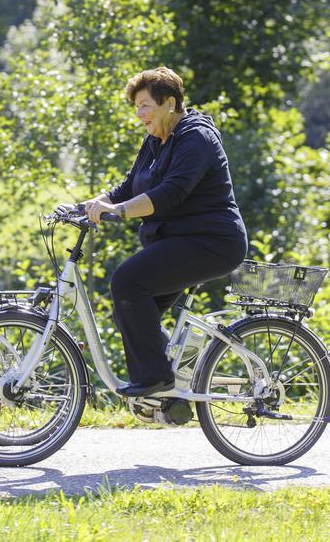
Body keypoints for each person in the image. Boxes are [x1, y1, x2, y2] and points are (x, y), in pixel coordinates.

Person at [81, 66, 248, 397]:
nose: (139, 114)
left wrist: (119, 212)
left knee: (128, 280)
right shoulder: (155, 140)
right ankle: (173, 385)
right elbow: (130, 185)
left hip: (213, 242)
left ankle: (157, 380)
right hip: (179, 241)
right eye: (136, 106)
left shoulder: (197, 137)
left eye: (145, 105)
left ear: (169, 103)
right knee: (128, 311)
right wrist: (95, 202)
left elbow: (171, 193)